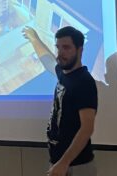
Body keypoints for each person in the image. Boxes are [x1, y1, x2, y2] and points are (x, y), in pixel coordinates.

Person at [23, 25, 98, 176]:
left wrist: (64, 163)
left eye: (66, 48)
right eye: (58, 47)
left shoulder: (84, 81)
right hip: (60, 163)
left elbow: (87, 128)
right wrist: (34, 39)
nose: (60, 53)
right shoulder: (64, 74)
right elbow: (49, 62)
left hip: (76, 166)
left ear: (80, 50)